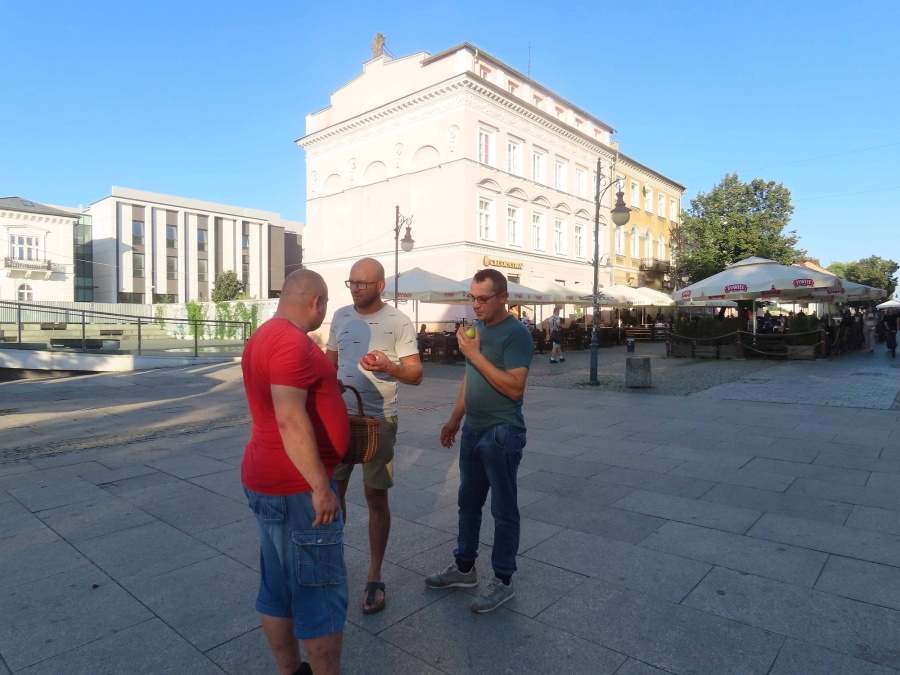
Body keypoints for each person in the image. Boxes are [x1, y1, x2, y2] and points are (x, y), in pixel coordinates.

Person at [240, 269, 348, 675]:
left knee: (278, 586)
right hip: (296, 489)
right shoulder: (291, 342)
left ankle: (291, 670)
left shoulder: (264, 335)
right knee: (320, 592)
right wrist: (321, 487)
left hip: (268, 480)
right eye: (325, 305)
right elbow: (289, 418)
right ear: (317, 303)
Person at [425, 268, 534, 613]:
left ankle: (503, 580)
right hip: (473, 429)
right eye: (472, 297)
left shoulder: (517, 334)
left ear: (503, 297)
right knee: (468, 503)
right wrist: (454, 419)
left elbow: (515, 388)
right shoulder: (478, 329)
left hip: (502, 432)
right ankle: (464, 568)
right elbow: (470, 379)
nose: (475, 304)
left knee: (503, 510)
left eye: (483, 298)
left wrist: (474, 354)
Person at [327, 258, 423, 615]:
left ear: (381, 286)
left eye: (362, 283)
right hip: (339, 418)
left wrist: (390, 367)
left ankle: (374, 575)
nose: (355, 289)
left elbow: (415, 375)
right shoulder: (340, 316)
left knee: (375, 496)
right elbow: (329, 362)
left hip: (380, 420)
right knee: (332, 493)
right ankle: (330, 562)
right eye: (351, 282)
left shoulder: (398, 321)